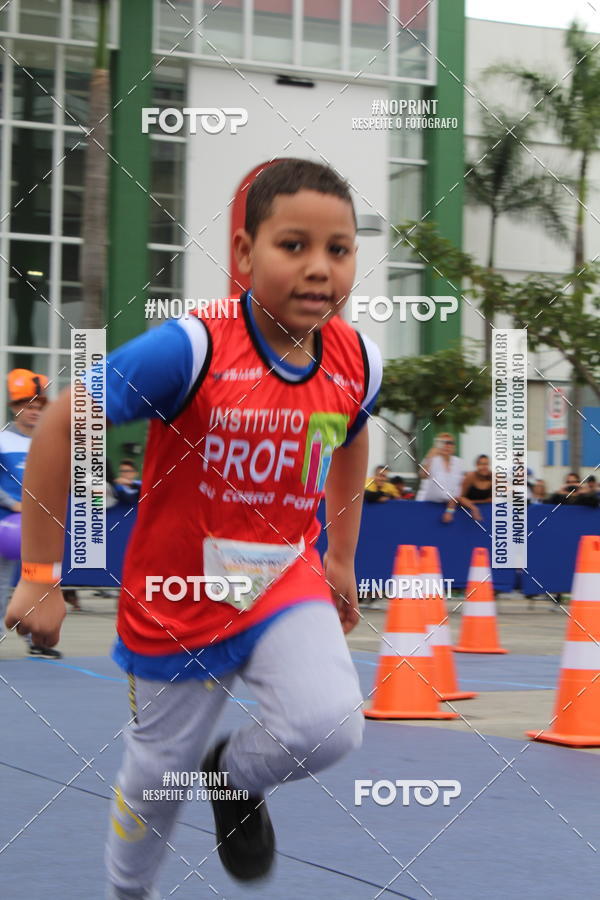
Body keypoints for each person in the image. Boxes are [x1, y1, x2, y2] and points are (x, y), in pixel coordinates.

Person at [5, 158, 383, 899]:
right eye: (294, 245)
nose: (319, 269)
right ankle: (128, 893)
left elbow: (351, 434)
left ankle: (234, 777)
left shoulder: (357, 359)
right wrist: (41, 575)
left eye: (338, 251)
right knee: (155, 782)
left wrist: (340, 556)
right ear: (244, 255)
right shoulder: (192, 348)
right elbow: (57, 423)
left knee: (329, 726)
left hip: (282, 578)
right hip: (178, 594)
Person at [0, 369, 65, 657]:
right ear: (15, 407)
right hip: (6, 524)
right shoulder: (2, 440)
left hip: (34, 529)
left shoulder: (49, 441)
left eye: (40, 406)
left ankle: (36, 640)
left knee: (38, 583)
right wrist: (11, 503)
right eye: (28, 405)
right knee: (1, 585)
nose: (35, 411)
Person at [416, 432, 465, 523]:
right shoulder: (432, 460)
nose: (446, 445)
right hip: (429, 505)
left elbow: (458, 489)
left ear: (454, 447)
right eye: (443, 442)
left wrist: (450, 511)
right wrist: (431, 453)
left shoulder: (459, 463)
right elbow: (423, 475)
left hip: (450, 507)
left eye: (449, 443)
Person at [458, 454, 492, 522]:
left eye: (486, 464)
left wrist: (473, 502)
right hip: (467, 512)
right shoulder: (470, 477)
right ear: (476, 465)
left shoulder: (493, 477)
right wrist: (474, 508)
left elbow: (493, 499)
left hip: (487, 513)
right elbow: (460, 498)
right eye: (481, 464)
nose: (484, 467)